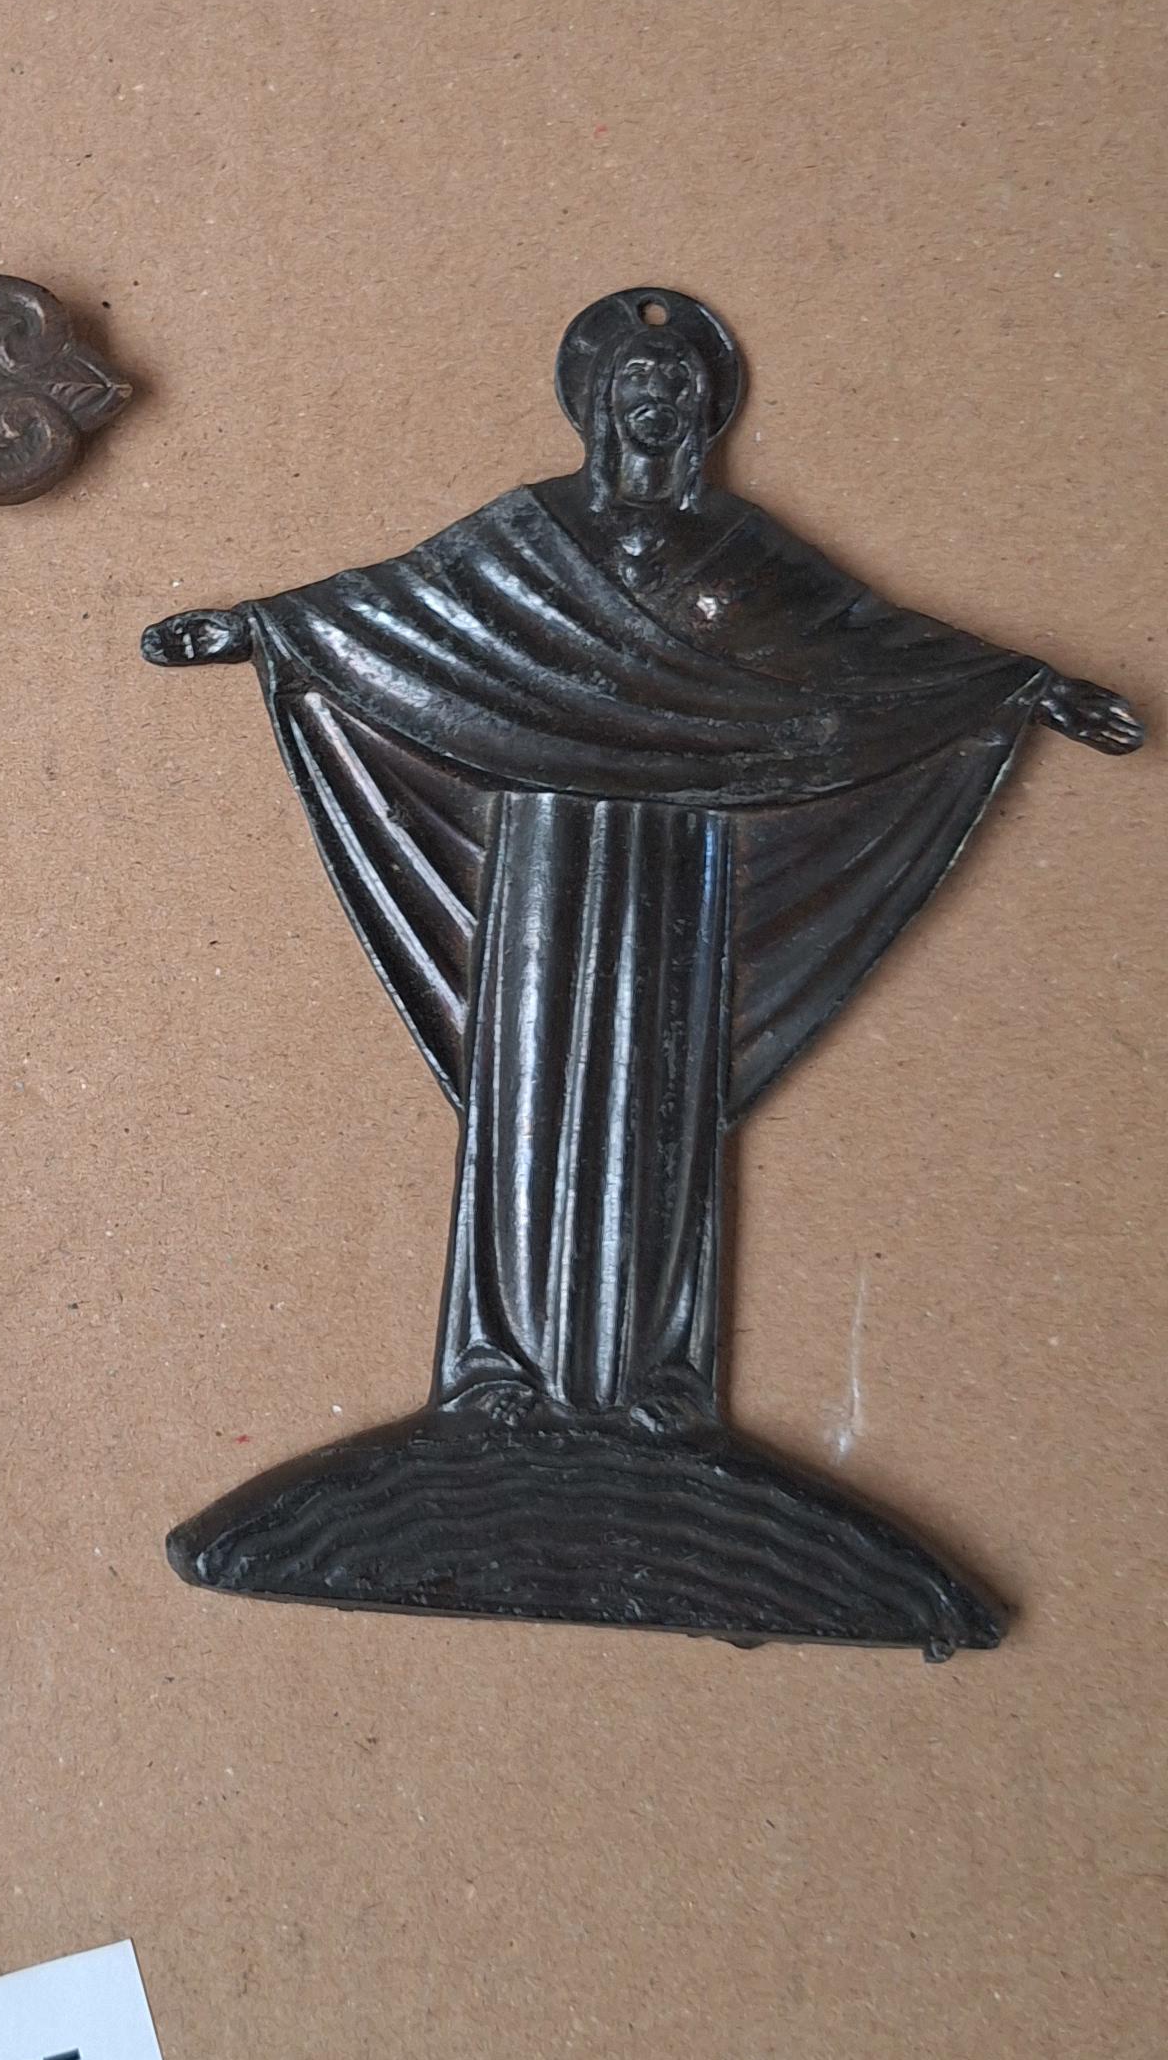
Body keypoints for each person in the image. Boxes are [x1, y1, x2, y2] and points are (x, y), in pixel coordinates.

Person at [144, 288, 1140, 1645]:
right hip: (542, 863)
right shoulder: (524, 541)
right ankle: (498, 1382)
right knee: (529, 1103)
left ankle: (647, 1394)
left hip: (677, 872)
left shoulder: (745, 554)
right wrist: (258, 628)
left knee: (653, 1108)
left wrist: (1023, 688)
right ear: (594, 404)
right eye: (632, 385)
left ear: (706, 413)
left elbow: (866, 657)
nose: (654, 405)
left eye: (676, 388)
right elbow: (403, 614)